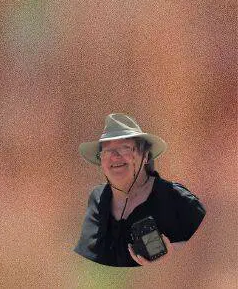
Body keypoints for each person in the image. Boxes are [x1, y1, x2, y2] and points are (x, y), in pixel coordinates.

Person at [73, 113, 206, 267]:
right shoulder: (97, 199)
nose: (115, 157)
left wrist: (175, 255)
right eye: (107, 151)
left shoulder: (177, 199)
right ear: (100, 160)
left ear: (145, 156)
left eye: (125, 148)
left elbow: (217, 248)